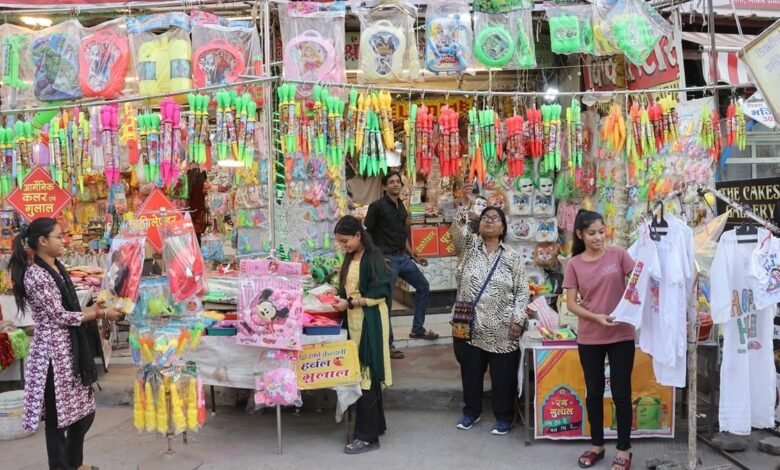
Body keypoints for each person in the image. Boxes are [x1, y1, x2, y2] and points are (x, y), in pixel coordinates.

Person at [9, 218, 124, 470]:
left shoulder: (57, 267)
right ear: (42, 241)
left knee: (84, 413)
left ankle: (74, 463)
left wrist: (95, 307)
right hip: (52, 355)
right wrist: (99, 314)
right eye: (59, 237)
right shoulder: (36, 275)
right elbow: (60, 316)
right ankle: (63, 466)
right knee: (57, 420)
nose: (65, 241)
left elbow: (68, 308)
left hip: (69, 350)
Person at [563, 210, 636, 470]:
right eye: (591, 233)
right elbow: (571, 304)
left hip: (621, 334)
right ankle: (597, 445)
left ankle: (624, 450)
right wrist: (596, 318)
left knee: (621, 392)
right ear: (580, 234)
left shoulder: (618, 255)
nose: (598, 237)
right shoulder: (574, 264)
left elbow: (639, 280)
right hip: (590, 337)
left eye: (601, 232)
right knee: (593, 392)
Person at [450, 197, 529, 436]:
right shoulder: (468, 249)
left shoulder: (512, 256)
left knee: (503, 376)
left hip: (502, 328)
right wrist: (464, 210)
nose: (489, 221)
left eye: (495, 219)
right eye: (485, 217)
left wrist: (518, 319)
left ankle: (504, 417)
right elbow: (456, 233)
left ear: (503, 228)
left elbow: (522, 290)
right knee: (471, 373)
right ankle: (471, 412)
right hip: (469, 325)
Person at [333, 215, 392, 454]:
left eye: (345, 240)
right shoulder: (351, 257)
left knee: (366, 374)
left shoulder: (373, 257)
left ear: (358, 235)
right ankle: (376, 426)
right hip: (355, 319)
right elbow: (348, 288)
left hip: (370, 320)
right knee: (363, 373)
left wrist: (350, 303)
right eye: (339, 241)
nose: (342, 245)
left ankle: (367, 437)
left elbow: (380, 292)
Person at [363, 170, 438, 360]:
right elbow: (366, 233)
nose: (396, 184)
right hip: (386, 260)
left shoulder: (401, 206)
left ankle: (417, 328)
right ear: (384, 186)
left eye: (398, 181)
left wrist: (413, 255)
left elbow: (401, 234)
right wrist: (377, 257)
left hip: (403, 258)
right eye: (392, 182)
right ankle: (388, 344)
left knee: (423, 286)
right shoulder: (377, 207)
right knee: (386, 301)